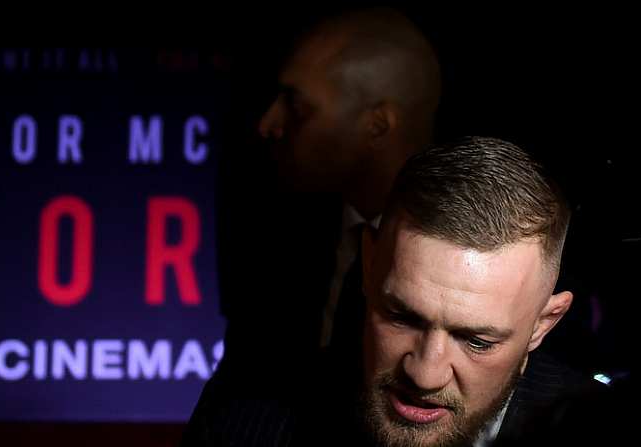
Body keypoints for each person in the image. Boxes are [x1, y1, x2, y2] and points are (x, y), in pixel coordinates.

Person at [182, 8, 441, 445]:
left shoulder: (475, 257)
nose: (269, 124)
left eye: (297, 106)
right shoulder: (275, 241)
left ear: (377, 124)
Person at [301, 136, 610, 446]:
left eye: (477, 341)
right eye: (402, 318)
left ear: (542, 324)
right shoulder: (263, 421)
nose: (425, 375)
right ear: (368, 266)